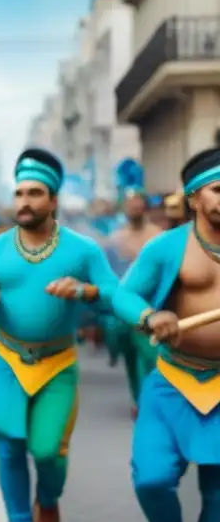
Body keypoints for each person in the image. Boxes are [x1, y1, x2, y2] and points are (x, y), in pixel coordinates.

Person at [0, 148, 138, 522]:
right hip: (8, 360)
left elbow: (116, 296)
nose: (24, 201)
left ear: (52, 200)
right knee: (9, 448)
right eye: (19, 192)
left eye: (35, 192)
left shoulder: (83, 251)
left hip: (57, 365)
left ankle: (49, 498)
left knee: (48, 450)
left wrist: (85, 291)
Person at [116, 147, 220, 522]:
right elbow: (124, 294)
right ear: (196, 197)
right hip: (175, 378)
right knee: (152, 477)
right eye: (219, 190)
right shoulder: (166, 247)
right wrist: (149, 314)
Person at [103, 159, 160, 413]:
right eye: (130, 202)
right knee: (129, 356)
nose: (134, 206)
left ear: (145, 205)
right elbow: (108, 279)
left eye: (139, 201)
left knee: (149, 356)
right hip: (122, 313)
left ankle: (146, 402)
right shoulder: (114, 240)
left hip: (151, 307)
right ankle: (138, 397)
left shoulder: (158, 236)